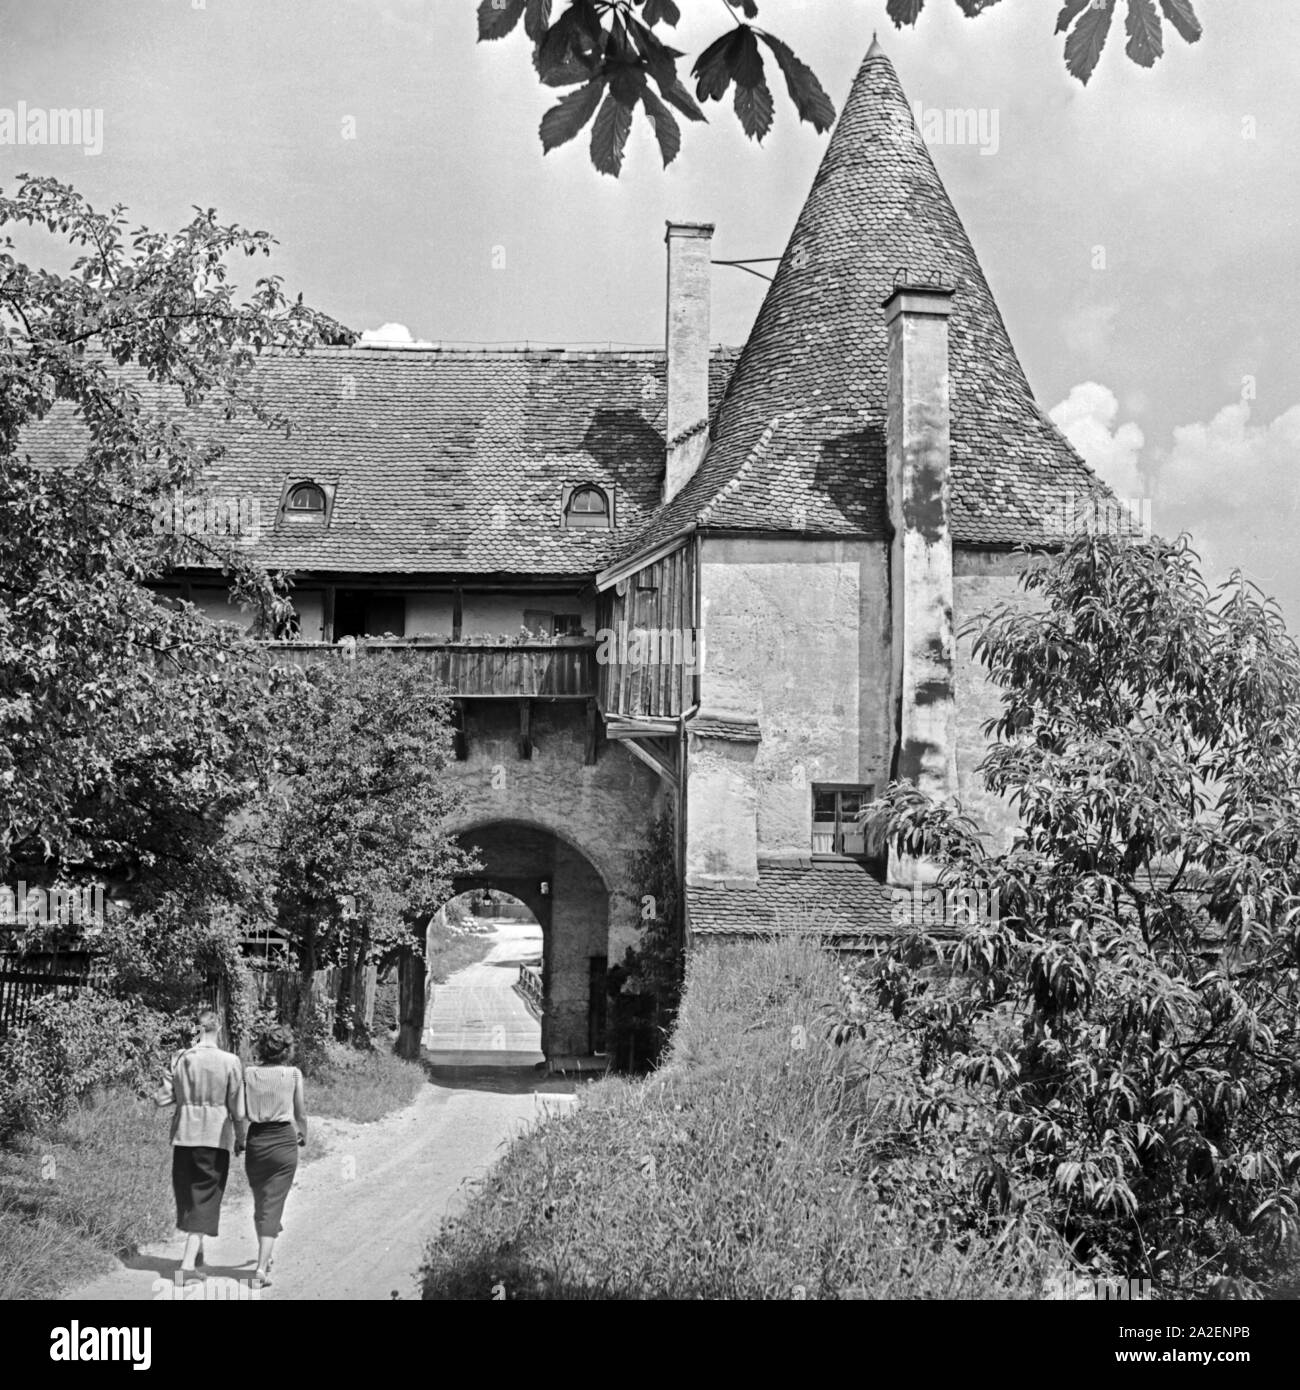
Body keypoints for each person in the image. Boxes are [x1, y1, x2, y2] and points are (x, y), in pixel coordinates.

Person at [153, 1007, 244, 1276]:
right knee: (205, 1196)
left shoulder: (181, 1058)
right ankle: (187, 1267)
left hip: (183, 1135)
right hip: (214, 1136)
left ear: (197, 1028)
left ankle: (197, 1250)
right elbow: (237, 1109)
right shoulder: (230, 1061)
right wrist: (241, 1138)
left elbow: (161, 1098)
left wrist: (184, 1094)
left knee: (188, 1192)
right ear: (220, 1029)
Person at [235, 1024, 307, 1289]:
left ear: (262, 1047)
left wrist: (240, 1139)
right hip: (284, 1143)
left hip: (256, 1142)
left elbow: (240, 1114)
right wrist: (304, 1134)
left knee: (261, 1203)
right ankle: (261, 1268)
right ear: (287, 1050)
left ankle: (266, 1254)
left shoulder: (248, 1074)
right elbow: (300, 1113)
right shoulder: (293, 1075)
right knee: (273, 1205)